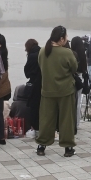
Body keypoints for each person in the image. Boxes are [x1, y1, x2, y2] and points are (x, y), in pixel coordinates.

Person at [35, 26, 77, 157]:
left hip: (47, 90)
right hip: (65, 90)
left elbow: (41, 67)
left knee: (46, 119)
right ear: (61, 39)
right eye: (66, 37)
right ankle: (68, 147)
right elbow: (74, 68)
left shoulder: (42, 51)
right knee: (66, 120)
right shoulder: (67, 53)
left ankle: (42, 145)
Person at [24, 39, 42, 133]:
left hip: (35, 84)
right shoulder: (42, 52)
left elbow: (27, 72)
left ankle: (35, 127)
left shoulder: (32, 56)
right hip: (44, 83)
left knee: (34, 106)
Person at [70, 36, 88, 129]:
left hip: (73, 79)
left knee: (71, 102)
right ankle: (77, 122)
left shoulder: (72, 54)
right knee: (78, 102)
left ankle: (71, 121)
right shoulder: (83, 55)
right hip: (80, 80)